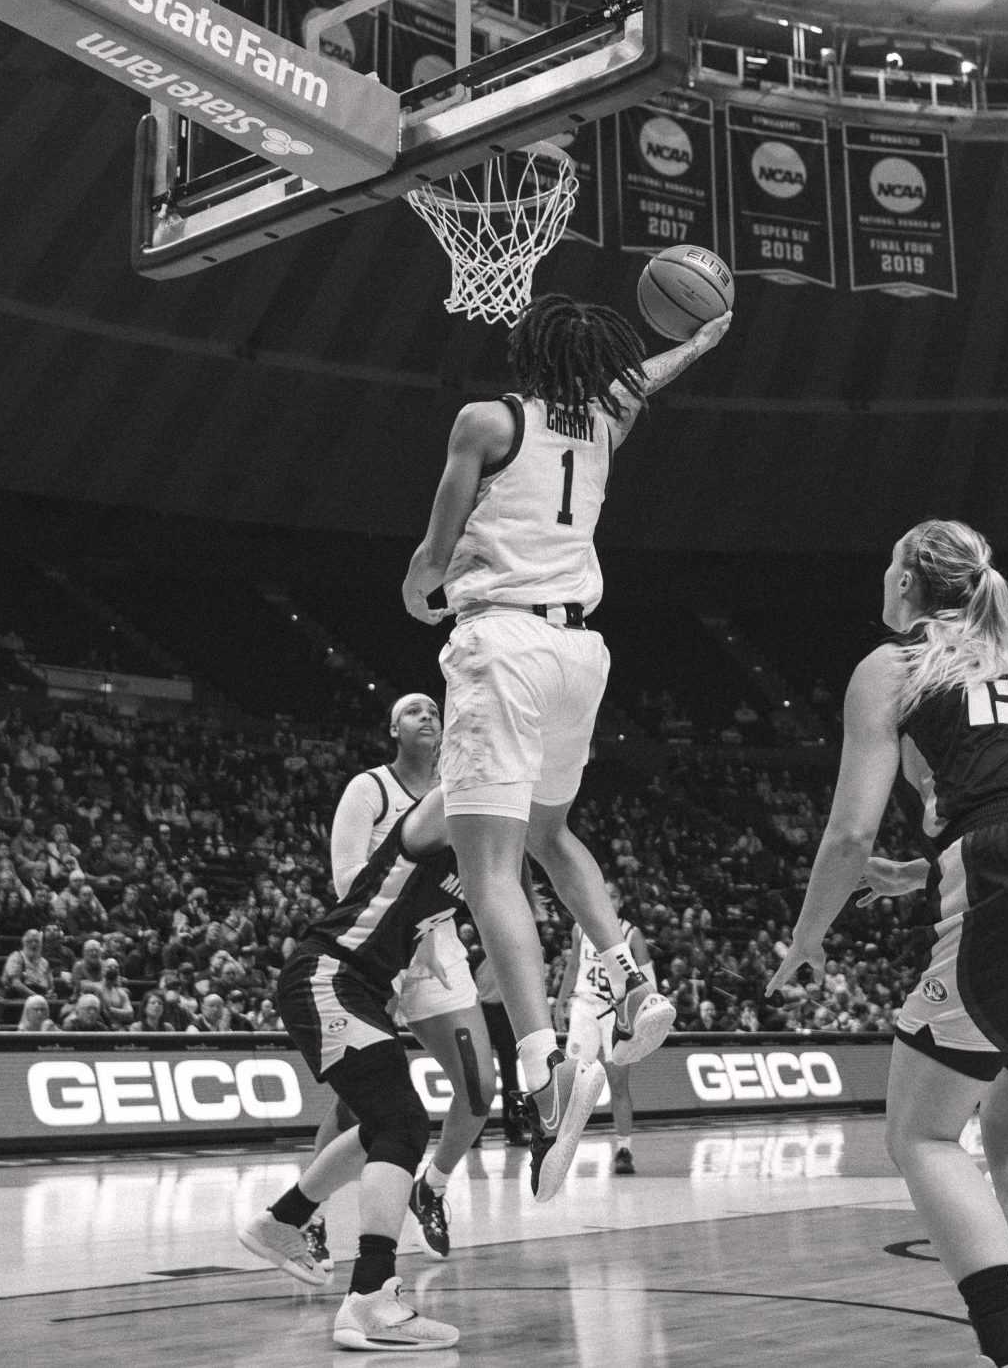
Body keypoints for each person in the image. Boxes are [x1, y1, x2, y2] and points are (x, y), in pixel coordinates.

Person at [771, 520, 1008, 1368]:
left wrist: (807, 934)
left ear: (906, 583)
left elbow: (846, 833)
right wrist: (926, 865)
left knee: (923, 1136)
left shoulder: (890, 664)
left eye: (886, 561)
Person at [398, 295, 727, 1199]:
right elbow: (644, 378)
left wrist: (419, 585)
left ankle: (541, 1071)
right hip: (582, 650)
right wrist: (697, 338)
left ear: (528, 352)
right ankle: (624, 974)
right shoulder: (609, 423)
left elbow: (437, 543)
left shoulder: (489, 419)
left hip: (503, 640)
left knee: (491, 866)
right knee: (551, 833)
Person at [239, 788, 466, 1351]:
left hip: (358, 985)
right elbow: (467, 772)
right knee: (404, 1125)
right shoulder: (444, 812)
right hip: (329, 973)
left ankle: (283, 1221)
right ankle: (369, 1296)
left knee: (380, 1128)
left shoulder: (488, 854)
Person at [305, 693, 494, 1266]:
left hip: (438, 951)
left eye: (434, 710)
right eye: (414, 711)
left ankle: (431, 1187)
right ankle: (307, 1218)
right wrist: (398, 940)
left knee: (480, 1088)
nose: (429, 716)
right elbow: (347, 880)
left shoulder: (460, 799)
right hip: (375, 950)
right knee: (357, 1105)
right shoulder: (370, 789)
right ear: (393, 728)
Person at [560, 899, 655, 1175]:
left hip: (616, 1011)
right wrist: (560, 1002)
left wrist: (645, 1012)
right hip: (584, 1007)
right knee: (573, 1080)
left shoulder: (630, 934)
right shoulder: (580, 928)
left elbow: (649, 980)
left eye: (611, 895)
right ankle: (560, 1149)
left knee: (618, 1082)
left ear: (620, 901)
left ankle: (624, 1148)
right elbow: (572, 966)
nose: (606, 899)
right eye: (603, 894)